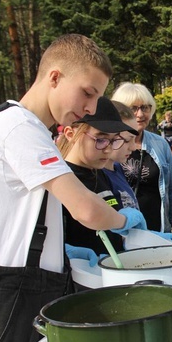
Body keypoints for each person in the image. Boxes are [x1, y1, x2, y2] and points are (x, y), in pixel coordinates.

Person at [0, 34, 147, 342]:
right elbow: (87, 211)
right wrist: (127, 222)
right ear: (55, 77)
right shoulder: (18, 127)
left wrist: (61, 252)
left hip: (25, 286)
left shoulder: (31, 130)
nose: (91, 108)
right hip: (8, 294)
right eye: (88, 92)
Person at [57, 96, 139, 256]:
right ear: (70, 134)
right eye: (100, 140)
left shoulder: (101, 172)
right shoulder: (59, 180)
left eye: (114, 140)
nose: (108, 149)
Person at [111, 82, 172, 233]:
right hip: (121, 231)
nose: (140, 114)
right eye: (133, 108)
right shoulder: (107, 146)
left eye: (145, 107)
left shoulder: (160, 144)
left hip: (157, 231)